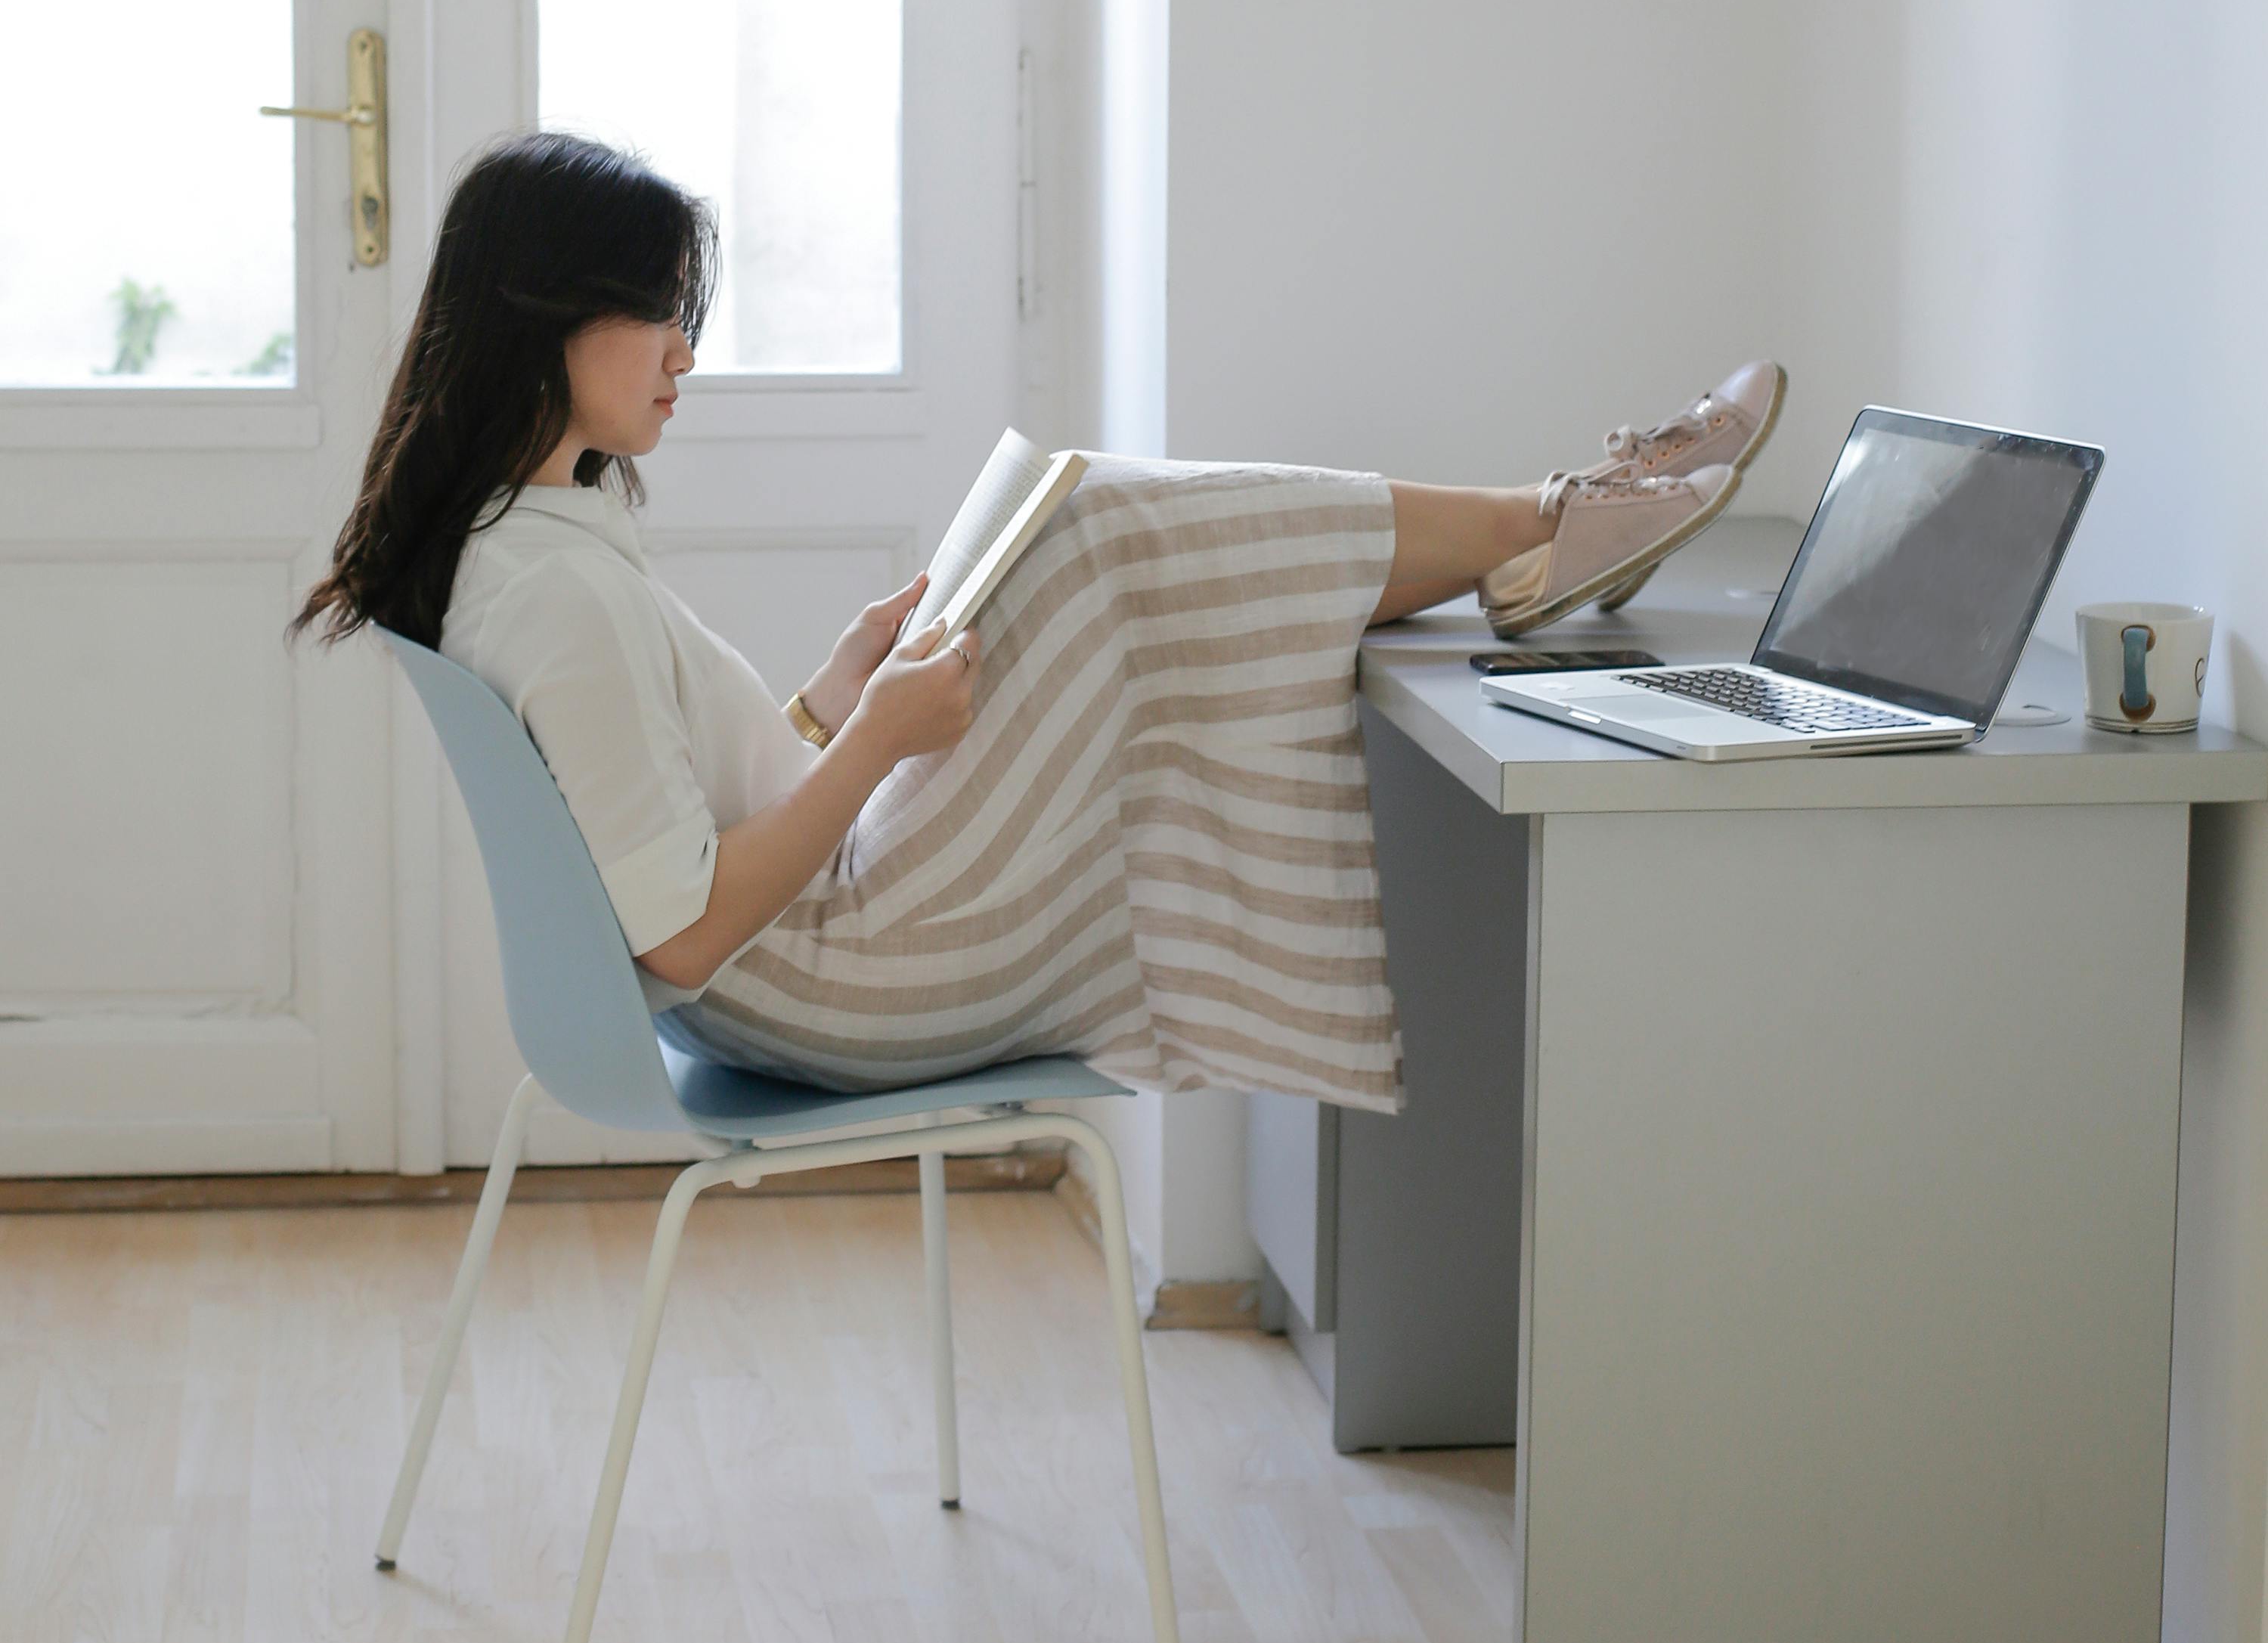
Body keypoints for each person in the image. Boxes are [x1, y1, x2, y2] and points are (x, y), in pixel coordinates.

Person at [299, 135, 1782, 1107]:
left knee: (1066, 532)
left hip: (815, 959)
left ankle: (1545, 527)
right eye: (660, 313)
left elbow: (675, 832)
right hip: (833, 991)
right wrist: (877, 742)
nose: (689, 351)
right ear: (541, 313)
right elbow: (682, 936)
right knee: (1084, 533)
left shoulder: (537, 540)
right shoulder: (552, 587)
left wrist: (828, 700)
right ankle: (1549, 519)